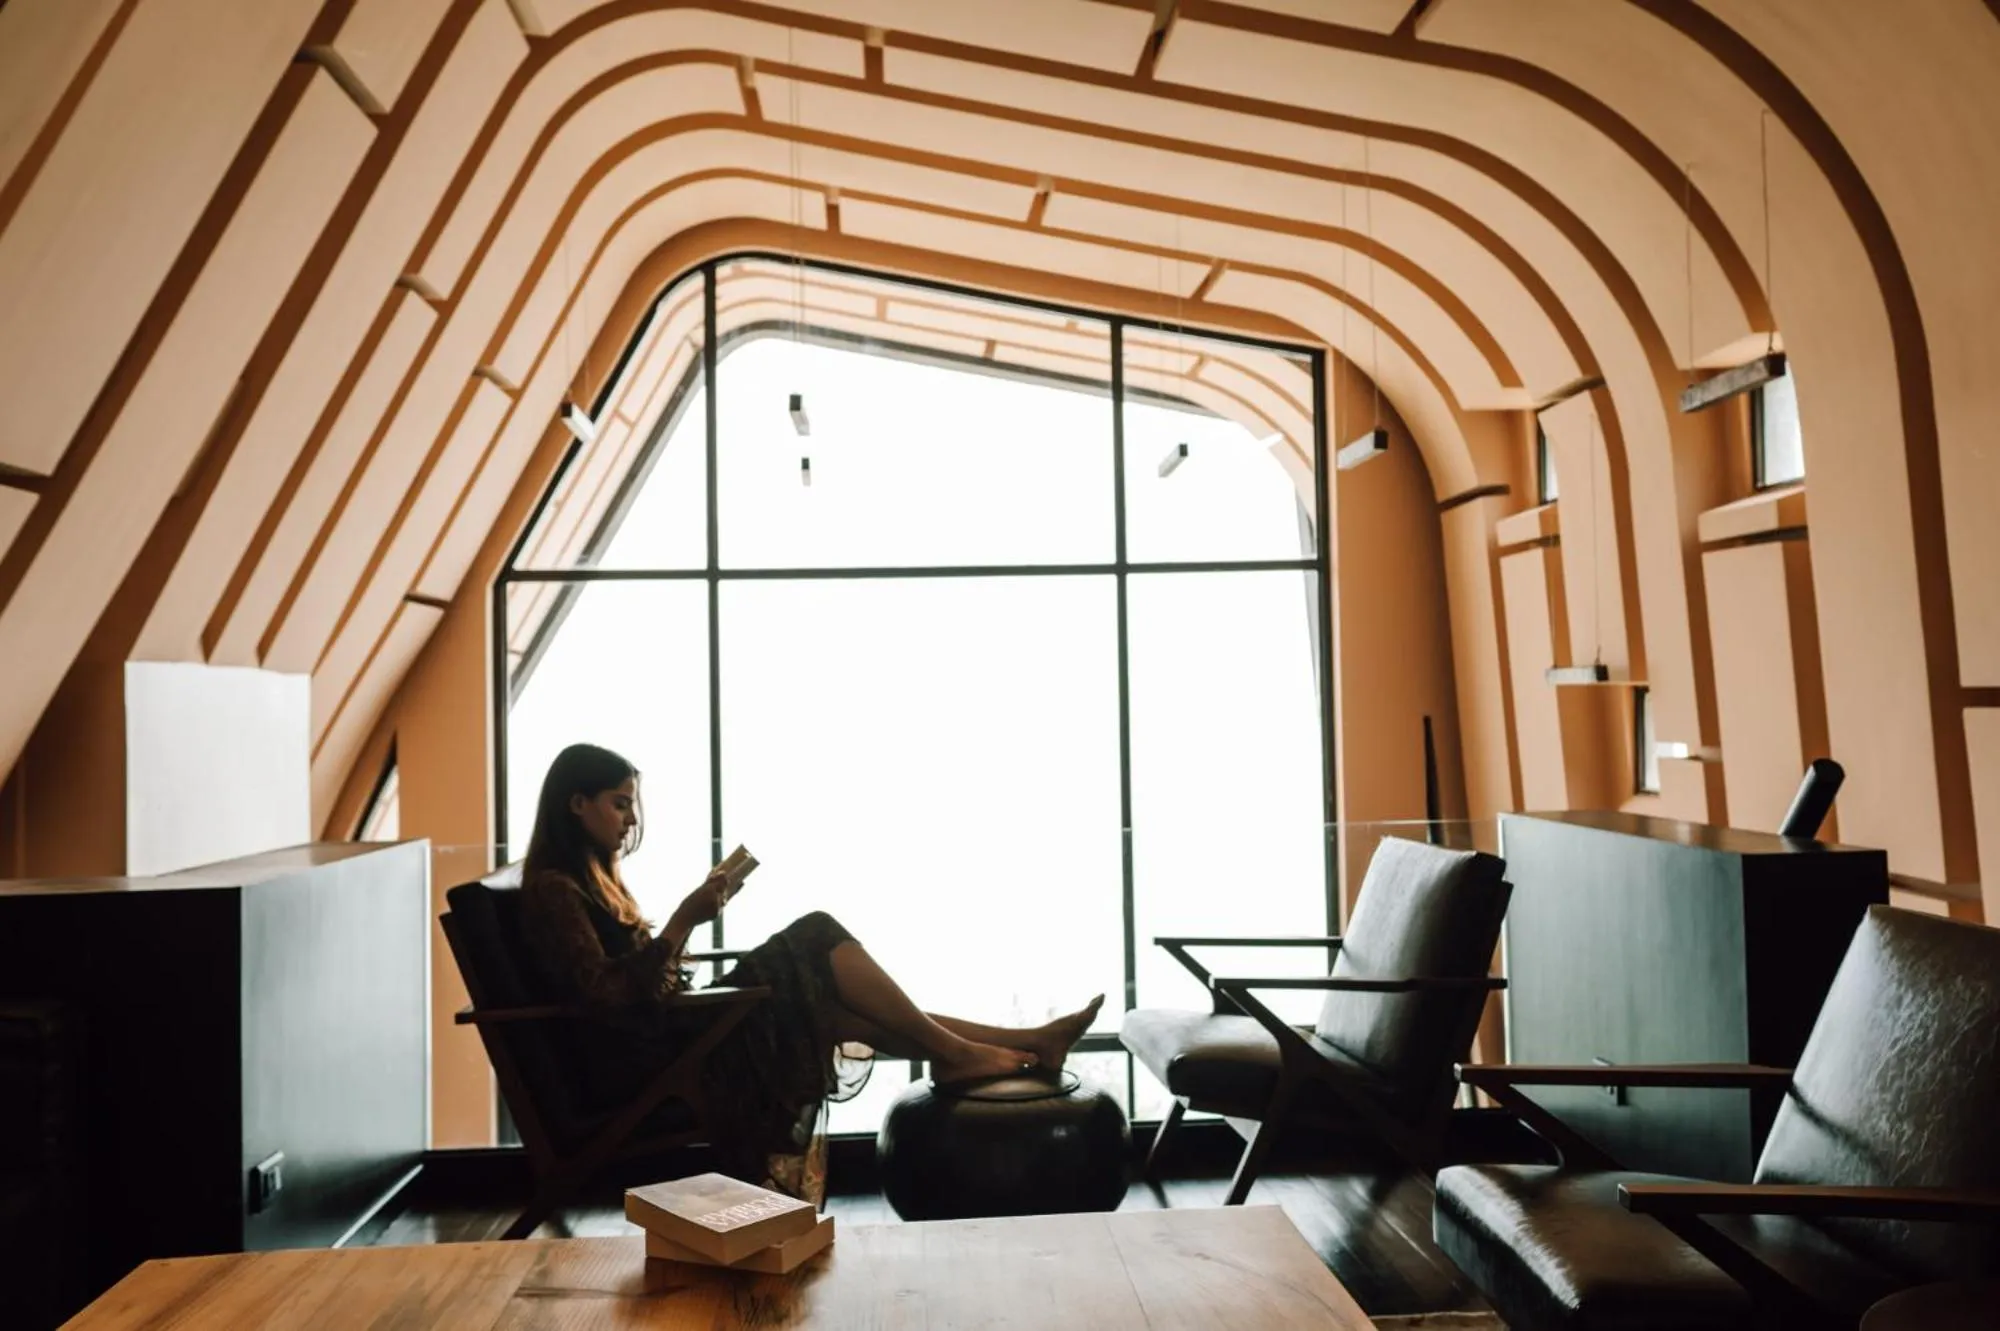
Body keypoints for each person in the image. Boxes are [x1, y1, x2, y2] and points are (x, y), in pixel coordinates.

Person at [516, 742, 1102, 1200]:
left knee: (831, 1004)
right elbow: (604, 997)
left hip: (677, 1032)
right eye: (619, 803)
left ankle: (1022, 1041)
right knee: (817, 934)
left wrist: (685, 932)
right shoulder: (554, 891)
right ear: (577, 803)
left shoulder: (593, 877)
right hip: (656, 1059)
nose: (629, 819)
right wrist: (683, 922)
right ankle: (969, 1049)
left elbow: (640, 980)